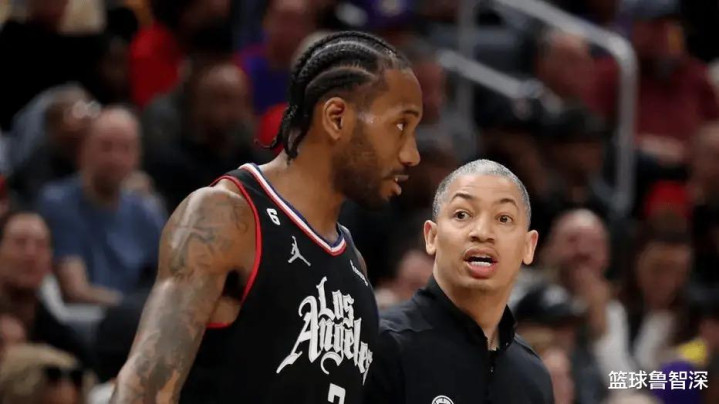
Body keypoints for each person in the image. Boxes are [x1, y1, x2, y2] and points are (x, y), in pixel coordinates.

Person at [112, 31, 422, 403]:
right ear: (337, 118)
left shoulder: (355, 265)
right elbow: (143, 389)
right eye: (400, 126)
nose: (412, 155)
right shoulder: (227, 216)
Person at [363, 159, 553, 403]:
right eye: (462, 214)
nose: (482, 232)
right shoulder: (383, 345)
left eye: (504, 218)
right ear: (431, 236)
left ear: (529, 246)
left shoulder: (533, 376)